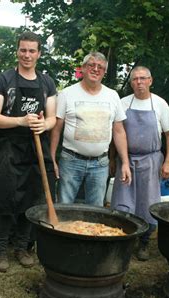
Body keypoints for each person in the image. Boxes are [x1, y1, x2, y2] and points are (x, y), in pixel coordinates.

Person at [0, 31, 57, 272]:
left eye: (32, 50)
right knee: (5, 198)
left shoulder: (47, 83)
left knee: (31, 198)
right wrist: (20, 121)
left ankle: (22, 247)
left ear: (38, 53)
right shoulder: (3, 81)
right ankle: (0, 250)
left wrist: (43, 124)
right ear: (17, 51)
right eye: (23, 50)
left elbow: (52, 120)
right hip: (9, 147)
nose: (27, 55)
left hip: (36, 149)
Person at [110, 66, 169, 261]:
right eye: (135, 79)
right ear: (131, 83)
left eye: (143, 78)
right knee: (123, 202)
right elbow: (116, 133)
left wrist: (168, 162)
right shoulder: (122, 103)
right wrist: (113, 159)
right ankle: (123, 241)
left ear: (150, 81)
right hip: (125, 159)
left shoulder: (159, 104)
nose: (139, 82)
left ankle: (144, 242)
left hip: (151, 159)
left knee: (148, 202)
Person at [50, 52, 131, 206]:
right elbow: (56, 128)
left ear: (104, 71)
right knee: (64, 207)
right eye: (91, 65)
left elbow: (119, 131)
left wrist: (125, 162)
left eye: (100, 67)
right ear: (83, 68)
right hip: (70, 161)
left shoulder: (112, 96)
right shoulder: (66, 94)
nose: (95, 69)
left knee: (96, 211)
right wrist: (52, 159)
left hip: (100, 164)